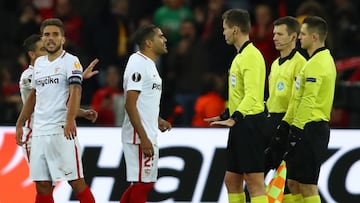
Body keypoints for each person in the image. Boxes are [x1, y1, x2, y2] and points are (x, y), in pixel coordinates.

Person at [15, 18, 97, 203]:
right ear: (42, 38)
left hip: (61, 131)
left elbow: (75, 90)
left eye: (55, 34)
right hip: (39, 133)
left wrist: (70, 120)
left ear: (63, 39)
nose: (50, 38)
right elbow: (34, 96)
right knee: (42, 185)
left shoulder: (71, 61)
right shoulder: (39, 65)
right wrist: (20, 123)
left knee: (76, 182)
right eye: (46, 35)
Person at [205, 8, 268, 203]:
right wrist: (226, 114)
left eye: (225, 28)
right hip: (240, 123)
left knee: (254, 181)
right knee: (231, 180)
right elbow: (240, 94)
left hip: (250, 124)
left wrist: (236, 117)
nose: (223, 33)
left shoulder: (251, 56)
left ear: (235, 30)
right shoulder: (240, 56)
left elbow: (253, 95)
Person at [282, 16, 336, 203]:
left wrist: (296, 129)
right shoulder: (316, 61)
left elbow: (308, 100)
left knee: (307, 185)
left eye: (302, 34)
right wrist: (286, 124)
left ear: (314, 37)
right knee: (293, 183)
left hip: (311, 128)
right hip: (306, 126)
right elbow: (298, 99)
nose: (299, 38)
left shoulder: (317, 64)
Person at [120, 24, 172, 203]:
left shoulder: (148, 64)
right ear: (149, 43)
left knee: (141, 183)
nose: (165, 39)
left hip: (146, 131)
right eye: (160, 36)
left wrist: (157, 119)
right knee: (144, 184)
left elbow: (142, 102)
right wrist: (143, 137)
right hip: (139, 135)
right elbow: (129, 104)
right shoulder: (138, 63)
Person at [264, 16, 307, 203]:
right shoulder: (274, 64)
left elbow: (297, 99)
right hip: (271, 122)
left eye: (280, 34)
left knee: (290, 181)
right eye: (274, 34)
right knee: (257, 175)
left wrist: (286, 126)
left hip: (287, 125)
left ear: (293, 37)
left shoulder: (300, 63)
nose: (275, 38)